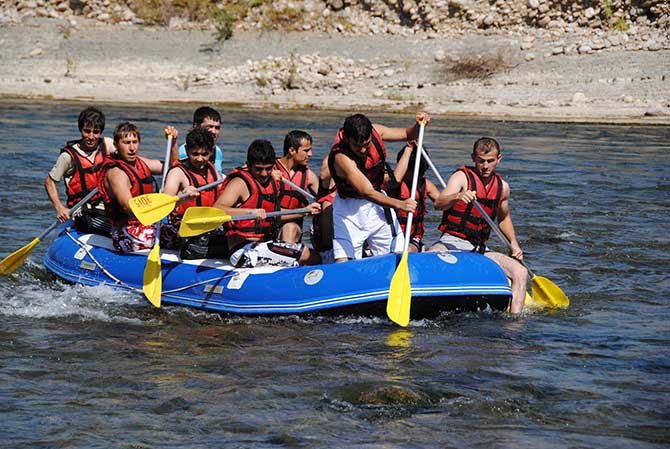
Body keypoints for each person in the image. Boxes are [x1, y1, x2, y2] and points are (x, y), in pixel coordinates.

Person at [428, 137, 528, 313]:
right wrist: (457, 196)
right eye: (481, 161)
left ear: (499, 159)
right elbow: (439, 203)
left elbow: (504, 218)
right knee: (429, 258)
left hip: (479, 249)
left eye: (490, 161)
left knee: (520, 272)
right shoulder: (461, 178)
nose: (485, 166)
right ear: (473, 158)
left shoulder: (503, 188)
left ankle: (514, 324)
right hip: (451, 242)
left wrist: (513, 243)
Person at [327, 112, 430, 262]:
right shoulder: (341, 158)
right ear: (348, 139)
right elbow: (367, 192)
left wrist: (419, 124)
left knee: (398, 256)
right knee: (344, 262)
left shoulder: (377, 131)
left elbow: (408, 134)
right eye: (357, 146)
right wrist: (400, 204)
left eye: (366, 144)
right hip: (349, 211)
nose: (363, 150)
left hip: (377, 207)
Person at [214, 139, 321, 268]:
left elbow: (275, 214)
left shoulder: (272, 182)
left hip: (265, 244)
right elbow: (217, 209)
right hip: (244, 251)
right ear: (248, 165)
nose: (264, 174)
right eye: (258, 169)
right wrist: (250, 212)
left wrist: (304, 210)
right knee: (308, 257)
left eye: (268, 169)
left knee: (313, 255)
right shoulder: (240, 183)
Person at [98, 122, 179, 253]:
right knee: (172, 239)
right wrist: (160, 209)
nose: (132, 148)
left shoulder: (142, 163)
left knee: (182, 236)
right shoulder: (116, 173)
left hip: (148, 224)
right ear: (116, 145)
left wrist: (173, 143)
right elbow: (128, 207)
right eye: (126, 142)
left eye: (135, 142)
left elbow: (174, 167)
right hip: (125, 231)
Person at [44, 106, 115, 235]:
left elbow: (129, 155)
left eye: (96, 132)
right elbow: (49, 182)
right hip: (82, 211)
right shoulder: (68, 157)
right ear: (80, 130)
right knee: (112, 229)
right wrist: (59, 208)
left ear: (101, 132)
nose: (91, 137)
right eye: (87, 131)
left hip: (107, 206)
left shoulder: (107, 144)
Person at [162, 127, 227, 259]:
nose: (199, 159)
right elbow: (164, 206)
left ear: (211, 152)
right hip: (182, 230)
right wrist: (182, 198)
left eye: (204, 154)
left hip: (208, 228)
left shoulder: (214, 171)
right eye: (194, 154)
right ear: (186, 151)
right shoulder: (177, 173)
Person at [388, 143, 440, 252]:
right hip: (389, 235)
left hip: (411, 239)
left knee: (407, 250)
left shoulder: (425, 184)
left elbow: (441, 202)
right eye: (413, 173)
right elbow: (394, 181)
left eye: (421, 173)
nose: (417, 177)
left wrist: (457, 196)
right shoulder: (391, 183)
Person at [274, 130, 319, 243]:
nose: (310, 154)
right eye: (306, 150)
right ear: (292, 150)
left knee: (290, 228)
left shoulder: (308, 175)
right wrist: (305, 211)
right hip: (270, 226)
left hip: (293, 229)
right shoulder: (268, 170)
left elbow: (326, 198)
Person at [178, 106, 224, 173]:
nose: (214, 131)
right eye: (209, 127)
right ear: (196, 126)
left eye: (217, 128)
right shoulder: (184, 151)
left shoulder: (218, 151)